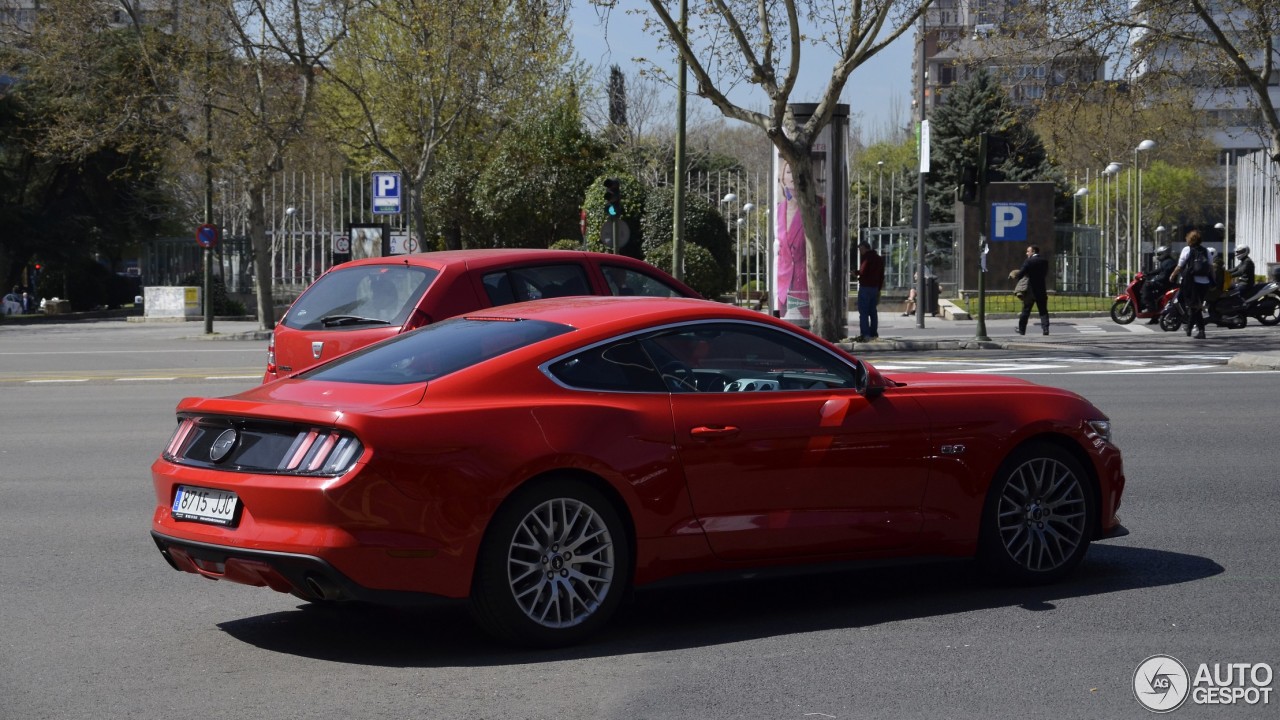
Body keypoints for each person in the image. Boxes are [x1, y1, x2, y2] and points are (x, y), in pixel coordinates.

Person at [1169, 229, 1216, 340]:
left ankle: (1197, 330)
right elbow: (1211, 268)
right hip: (1204, 283)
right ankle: (1191, 328)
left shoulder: (1187, 249)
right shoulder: (1206, 251)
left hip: (1192, 282)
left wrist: (1172, 275)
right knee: (1196, 307)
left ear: (1189, 239)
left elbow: (1180, 266)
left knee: (1194, 306)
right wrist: (1213, 281)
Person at [1011, 244, 1050, 336]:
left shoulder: (1029, 261)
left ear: (1033, 252)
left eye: (1028, 251)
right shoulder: (1044, 261)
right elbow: (1044, 274)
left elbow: (1021, 273)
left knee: (1026, 310)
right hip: (1041, 289)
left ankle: (1022, 330)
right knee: (1043, 310)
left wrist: (1016, 276)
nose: (1026, 253)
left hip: (1030, 290)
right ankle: (1045, 329)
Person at [853, 240, 884, 342]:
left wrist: (855, 273)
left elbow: (862, 271)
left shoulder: (866, 257)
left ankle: (865, 334)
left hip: (865, 287)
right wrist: (878, 288)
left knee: (864, 312)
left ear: (864, 248)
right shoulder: (879, 259)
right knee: (873, 312)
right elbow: (881, 275)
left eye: (860, 249)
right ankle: (874, 333)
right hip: (874, 288)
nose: (860, 251)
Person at [1142, 245, 1176, 321]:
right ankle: (1154, 317)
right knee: (1154, 295)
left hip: (1165, 283)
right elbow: (1160, 270)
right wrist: (1149, 273)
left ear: (1165, 254)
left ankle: (1150, 307)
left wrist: (1154, 280)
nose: (1158, 256)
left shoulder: (1169, 263)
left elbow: (1164, 276)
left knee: (1146, 286)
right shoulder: (1166, 262)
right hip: (1164, 282)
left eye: (1160, 254)